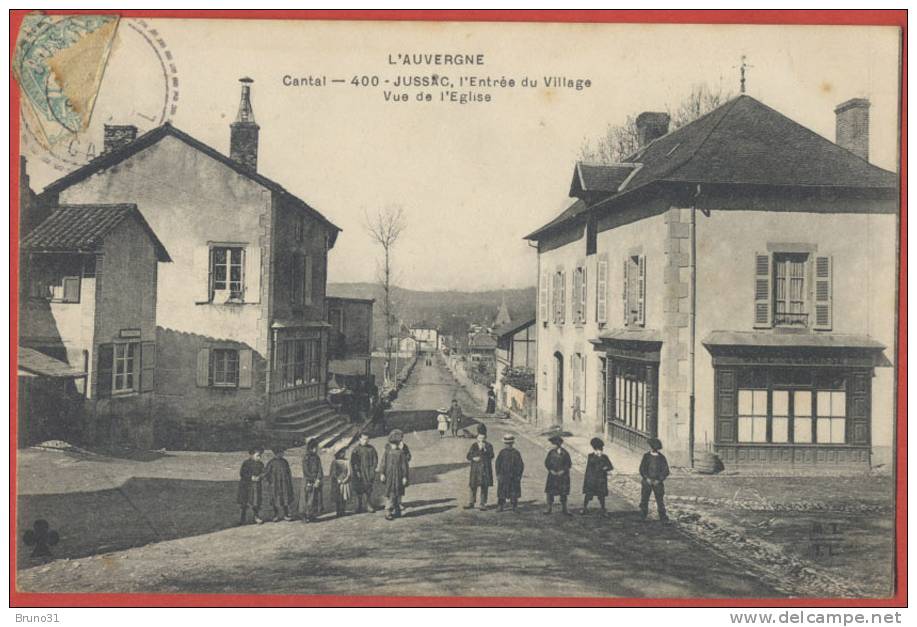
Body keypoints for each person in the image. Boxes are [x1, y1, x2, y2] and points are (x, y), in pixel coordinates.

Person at [379, 429, 411, 520]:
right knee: (390, 493)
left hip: (399, 476)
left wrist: (404, 476)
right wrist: (382, 473)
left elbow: (404, 465)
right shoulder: (387, 451)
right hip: (390, 476)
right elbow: (383, 463)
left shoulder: (402, 451)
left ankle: (397, 510)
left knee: (398, 492)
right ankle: (388, 510)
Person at [639, 437, 670, 522]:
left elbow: (666, 471)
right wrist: (646, 478)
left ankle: (662, 516)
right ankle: (643, 514)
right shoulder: (646, 456)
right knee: (644, 499)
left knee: (660, 500)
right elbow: (642, 469)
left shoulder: (662, 458)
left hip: (658, 483)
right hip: (647, 482)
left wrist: (659, 480)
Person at [582, 437, 614, 515]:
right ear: (595, 449)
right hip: (592, 479)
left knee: (601, 496)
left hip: (601, 479)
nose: (600, 450)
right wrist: (598, 457)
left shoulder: (604, 457)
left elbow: (610, 466)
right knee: (588, 495)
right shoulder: (591, 456)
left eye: (601, 448)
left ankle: (603, 509)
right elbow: (590, 467)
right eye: (598, 449)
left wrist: (605, 468)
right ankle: (584, 508)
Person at [263, 447, 295, 521]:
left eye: (282, 452)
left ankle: (286, 514)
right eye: (280, 452)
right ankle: (275, 515)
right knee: (275, 499)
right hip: (275, 485)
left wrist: (289, 482)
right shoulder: (271, 462)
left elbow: (288, 473)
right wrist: (269, 482)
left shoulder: (285, 462)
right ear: (276, 453)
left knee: (285, 499)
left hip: (284, 484)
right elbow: (266, 473)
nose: (282, 454)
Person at [465, 431, 494, 510]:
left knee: (484, 486)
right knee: (473, 485)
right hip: (475, 469)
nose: (481, 439)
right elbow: (468, 456)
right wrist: (473, 458)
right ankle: (471, 502)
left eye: (483, 438)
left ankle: (483, 503)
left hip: (485, 468)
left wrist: (485, 450)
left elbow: (492, 455)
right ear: (477, 438)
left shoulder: (488, 446)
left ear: (486, 438)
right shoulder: (474, 445)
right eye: (480, 438)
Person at [543, 435, 573, 516]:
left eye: (555, 444)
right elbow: (547, 463)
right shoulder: (551, 453)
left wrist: (563, 471)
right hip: (552, 476)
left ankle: (565, 509)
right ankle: (549, 508)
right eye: (553, 444)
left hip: (563, 477)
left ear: (559, 444)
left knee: (563, 493)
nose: (553, 446)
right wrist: (551, 470)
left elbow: (569, 464)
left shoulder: (565, 453)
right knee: (550, 492)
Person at [350, 432, 379, 513]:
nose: (365, 441)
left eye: (367, 439)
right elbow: (354, 462)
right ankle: (359, 505)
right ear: (359, 439)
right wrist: (357, 471)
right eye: (364, 439)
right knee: (359, 489)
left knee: (368, 489)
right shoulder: (356, 450)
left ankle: (368, 505)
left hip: (369, 472)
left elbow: (375, 460)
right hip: (360, 473)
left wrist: (373, 469)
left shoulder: (371, 449)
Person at [495, 434, 524, 512]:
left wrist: (519, 475)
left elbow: (520, 465)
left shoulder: (516, 453)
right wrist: (498, 474)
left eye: (510, 444)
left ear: (512, 444)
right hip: (503, 475)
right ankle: (500, 506)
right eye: (506, 444)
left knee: (514, 491)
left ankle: (514, 506)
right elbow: (497, 464)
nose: (508, 445)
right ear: (504, 444)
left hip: (513, 476)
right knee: (502, 491)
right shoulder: (502, 452)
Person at [237, 447, 264, 525]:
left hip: (256, 486)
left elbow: (263, 472)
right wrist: (250, 477)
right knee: (244, 502)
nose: (259, 457)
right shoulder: (246, 463)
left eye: (260, 456)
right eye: (258, 455)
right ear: (252, 455)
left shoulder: (261, 464)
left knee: (256, 502)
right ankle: (243, 518)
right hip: (246, 485)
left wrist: (260, 477)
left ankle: (256, 516)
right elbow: (242, 473)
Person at [299, 438, 324, 522]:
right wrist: (313, 479)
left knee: (314, 498)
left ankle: (311, 514)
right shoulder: (306, 457)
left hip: (316, 481)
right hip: (308, 481)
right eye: (315, 448)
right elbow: (305, 470)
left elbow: (320, 469)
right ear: (311, 448)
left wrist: (318, 479)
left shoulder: (317, 457)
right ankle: (304, 515)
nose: (316, 449)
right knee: (306, 498)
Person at [330, 447, 353, 517]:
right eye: (341, 452)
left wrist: (345, 479)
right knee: (338, 497)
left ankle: (343, 510)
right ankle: (338, 511)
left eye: (344, 452)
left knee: (344, 496)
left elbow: (349, 472)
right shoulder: (334, 462)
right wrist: (337, 480)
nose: (343, 454)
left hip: (345, 482)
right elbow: (332, 473)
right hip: (337, 482)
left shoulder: (347, 461)